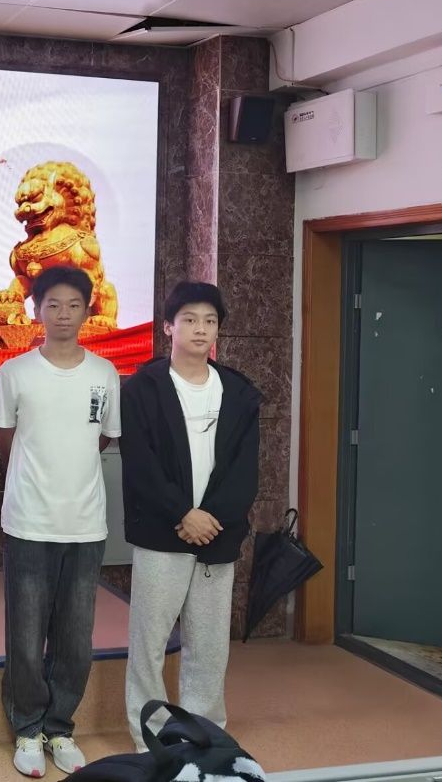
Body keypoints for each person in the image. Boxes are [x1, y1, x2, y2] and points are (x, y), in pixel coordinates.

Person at [0, 266, 121, 779]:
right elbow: (6, 437)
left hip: (85, 524)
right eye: (53, 305)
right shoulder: (15, 372)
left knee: (75, 637)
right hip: (28, 521)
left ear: (87, 311)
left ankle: (60, 727)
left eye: (73, 305)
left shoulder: (105, 374)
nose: (63, 314)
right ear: (37, 310)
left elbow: (103, 437)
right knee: (25, 634)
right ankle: (27, 728)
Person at [121, 281, 260, 751]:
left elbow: (245, 469)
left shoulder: (238, 391)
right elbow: (140, 464)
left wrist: (210, 518)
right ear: (168, 327)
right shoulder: (143, 388)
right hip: (163, 532)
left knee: (209, 643)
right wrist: (183, 512)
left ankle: (206, 730)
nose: (201, 329)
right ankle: (151, 735)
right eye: (190, 320)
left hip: (215, 534)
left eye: (210, 321)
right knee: (149, 642)